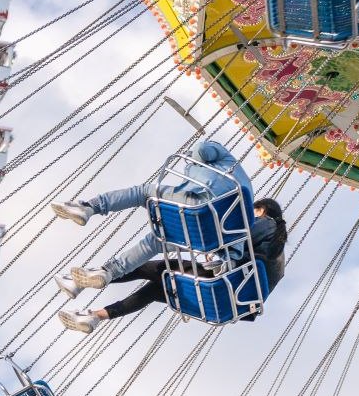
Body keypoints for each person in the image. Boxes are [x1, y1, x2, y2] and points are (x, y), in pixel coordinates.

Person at [55, 198, 288, 332]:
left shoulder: (267, 223)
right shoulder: (278, 255)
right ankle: (94, 316)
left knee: (154, 268)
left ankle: (83, 282)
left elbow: (235, 235)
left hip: (222, 284)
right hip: (226, 302)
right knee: (157, 289)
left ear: (262, 210)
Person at [48, 140, 251, 287]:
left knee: (143, 192)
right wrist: (226, 257)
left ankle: (89, 207)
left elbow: (202, 150)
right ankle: (108, 272)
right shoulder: (245, 197)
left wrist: (191, 160)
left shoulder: (223, 156)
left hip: (201, 204)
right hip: (210, 236)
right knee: (157, 240)